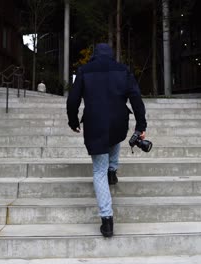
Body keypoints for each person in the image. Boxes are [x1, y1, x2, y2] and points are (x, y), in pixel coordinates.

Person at [66, 43, 147, 238]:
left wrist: (73, 121)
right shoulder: (122, 70)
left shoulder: (85, 70)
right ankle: (113, 170)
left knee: (98, 171)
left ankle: (107, 220)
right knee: (114, 135)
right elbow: (136, 97)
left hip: (94, 123)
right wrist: (141, 125)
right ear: (111, 54)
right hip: (119, 120)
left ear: (94, 55)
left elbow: (72, 100)